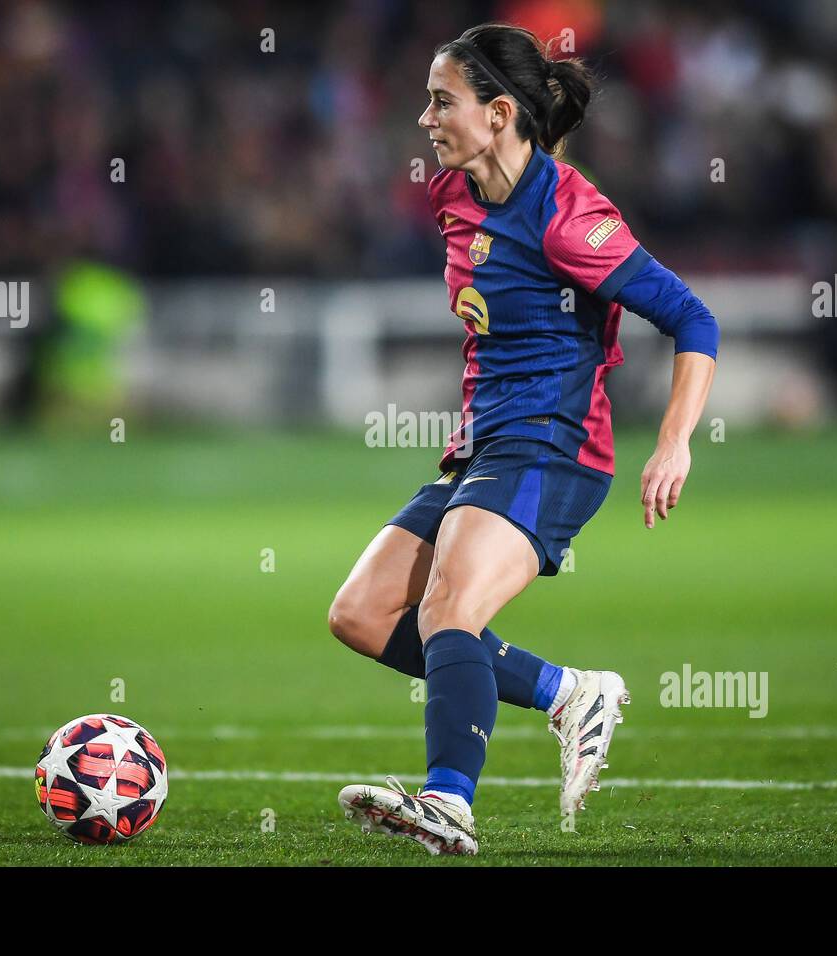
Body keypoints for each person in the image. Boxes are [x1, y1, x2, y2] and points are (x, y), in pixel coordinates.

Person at [329, 22, 719, 856]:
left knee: (449, 609)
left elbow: (692, 317)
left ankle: (449, 801)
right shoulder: (450, 197)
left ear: (500, 111)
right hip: (483, 445)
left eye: (444, 102)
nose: (426, 119)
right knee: (360, 614)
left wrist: (675, 440)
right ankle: (569, 692)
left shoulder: (571, 217)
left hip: (555, 447)